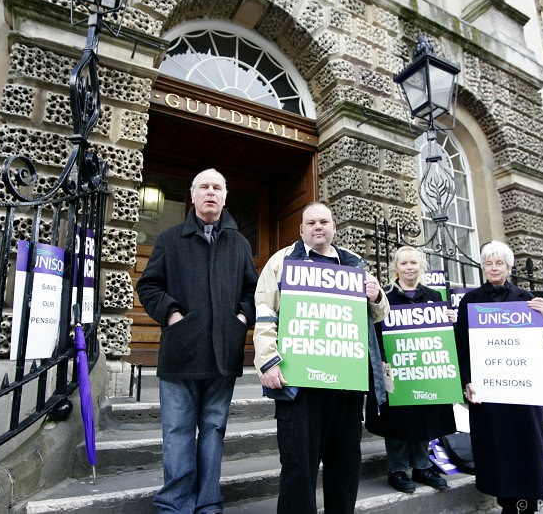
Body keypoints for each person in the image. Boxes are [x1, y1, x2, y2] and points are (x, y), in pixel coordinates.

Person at [253, 202, 389, 514]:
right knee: (299, 467)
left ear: (333, 228)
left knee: (344, 467)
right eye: (311, 222)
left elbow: (380, 314)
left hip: (345, 385)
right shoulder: (281, 262)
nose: (318, 227)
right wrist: (267, 362)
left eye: (324, 222)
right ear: (301, 230)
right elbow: (265, 314)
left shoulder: (354, 265)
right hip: (298, 384)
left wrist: (377, 296)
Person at [136, 168, 258, 514]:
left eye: (217, 187)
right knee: (177, 431)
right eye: (203, 187)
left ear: (224, 197)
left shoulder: (239, 243)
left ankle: (208, 503)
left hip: (223, 354)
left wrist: (240, 319)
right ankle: (175, 504)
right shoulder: (170, 239)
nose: (210, 192)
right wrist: (173, 314)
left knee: (213, 431)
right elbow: (148, 286)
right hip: (181, 353)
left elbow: (252, 290)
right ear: (192, 196)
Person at [454, 240, 543, 514]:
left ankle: (527, 504)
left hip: (523, 391)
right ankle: (506, 503)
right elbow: (461, 344)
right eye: (488, 263)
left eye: (499, 263)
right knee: (497, 448)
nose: (494, 268)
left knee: (526, 447)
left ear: (509, 267)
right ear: (483, 268)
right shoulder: (471, 300)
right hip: (489, 390)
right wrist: (466, 380)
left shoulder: (527, 300)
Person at [365, 246, 455, 493]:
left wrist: (449, 323)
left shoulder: (434, 298)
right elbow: (375, 332)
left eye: (413, 263)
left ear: (421, 267)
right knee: (396, 419)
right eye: (404, 264)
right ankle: (397, 470)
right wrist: (381, 360)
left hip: (422, 370)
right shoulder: (386, 297)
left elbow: (443, 337)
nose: (409, 268)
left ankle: (423, 466)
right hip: (394, 368)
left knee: (423, 416)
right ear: (396, 268)